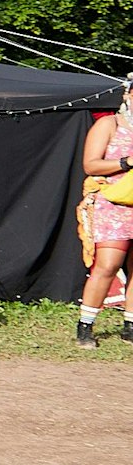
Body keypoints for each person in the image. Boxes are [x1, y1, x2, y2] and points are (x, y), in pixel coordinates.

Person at [76, 84, 133, 348]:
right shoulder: (110, 124)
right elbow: (90, 164)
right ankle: (85, 326)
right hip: (113, 204)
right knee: (108, 265)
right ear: (128, 95)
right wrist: (126, 162)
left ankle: (130, 326)